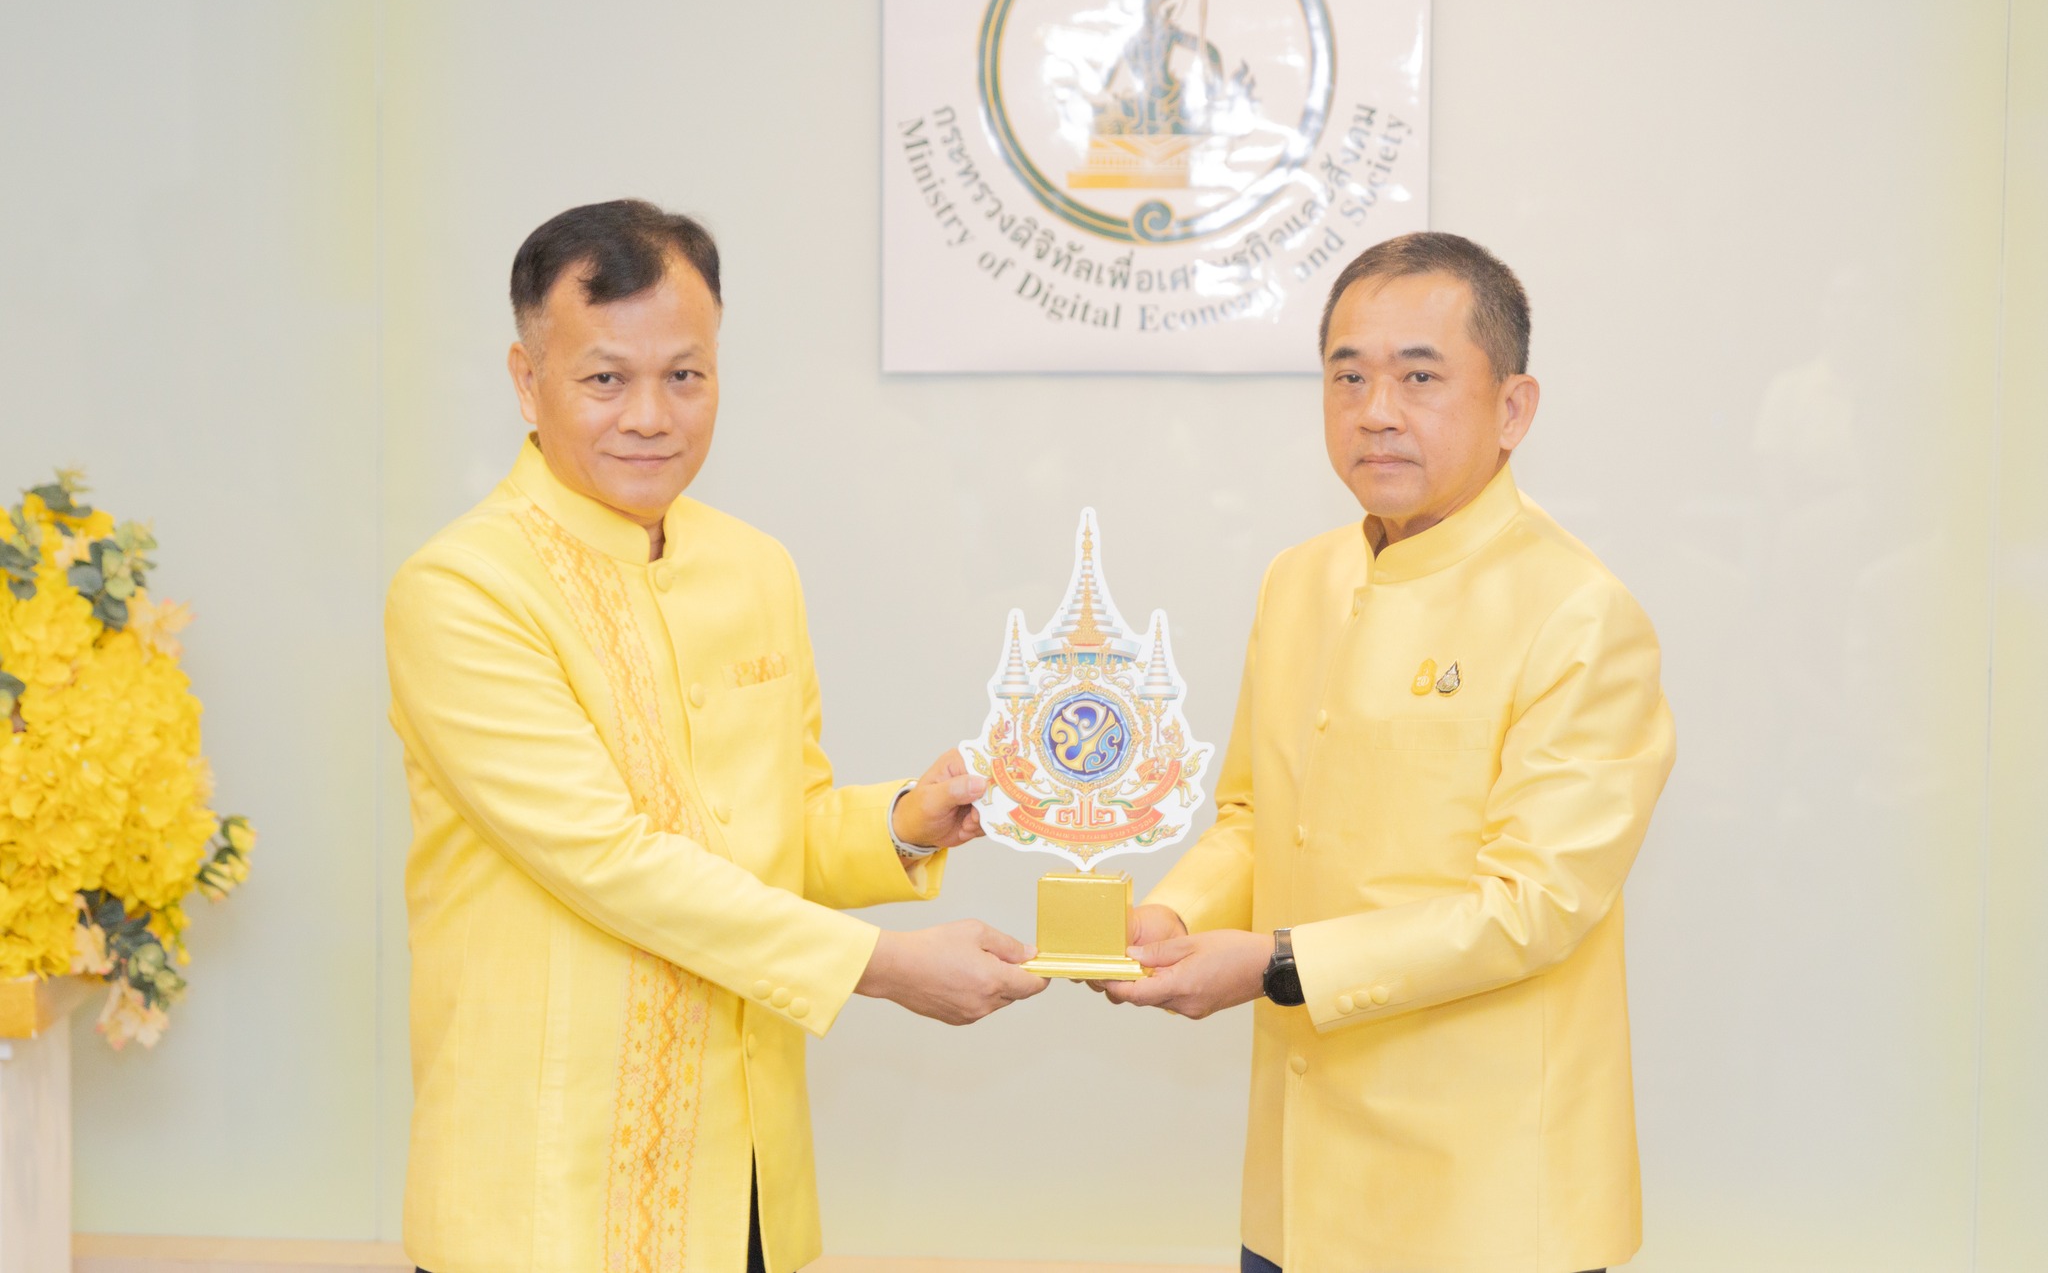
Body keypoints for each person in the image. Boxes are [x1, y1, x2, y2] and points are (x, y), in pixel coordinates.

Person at [385, 200, 1047, 1273]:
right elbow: (609, 860)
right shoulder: (463, 589)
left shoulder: (754, 567)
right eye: (606, 378)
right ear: (526, 380)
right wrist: (882, 966)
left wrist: (903, 823)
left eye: (684, 375)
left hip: (739, 1178)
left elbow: (772, 830)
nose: (651, 415)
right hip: (545, 1197)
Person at [1100, 232, 1676, 1273]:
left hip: (1487, 1200)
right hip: (1297, 1187)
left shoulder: (1579, 613)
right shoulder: (1299, 580)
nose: (1375, 411)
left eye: (1419, 377)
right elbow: (1254, 817)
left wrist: (1274, 965)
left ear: (1513, 409)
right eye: (1348, 376)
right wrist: (1172, 914)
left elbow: (1531, 907)